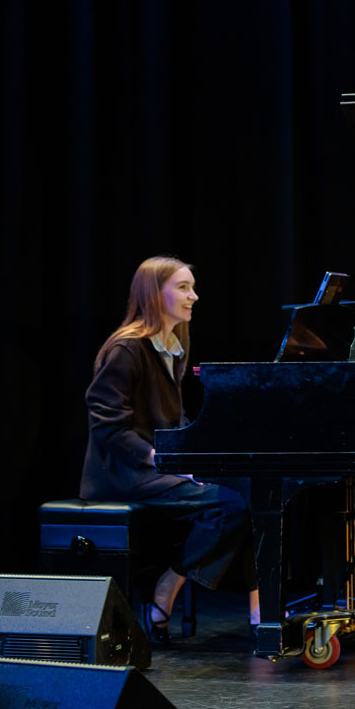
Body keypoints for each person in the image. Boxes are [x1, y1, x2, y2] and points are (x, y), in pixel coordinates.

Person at [81, 256, 260, 645]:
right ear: (153, 293)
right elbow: (108, 426)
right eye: (183, 287)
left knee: (254, 490)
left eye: (192, 287)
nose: (193, 296)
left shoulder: (174, 346)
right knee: (230, 505)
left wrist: (199, 457)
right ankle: (168, 585)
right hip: (124, 474)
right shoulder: (127, 349)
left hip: (157, 468)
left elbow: (174, 420)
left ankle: (260, 608)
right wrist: (164, 461)